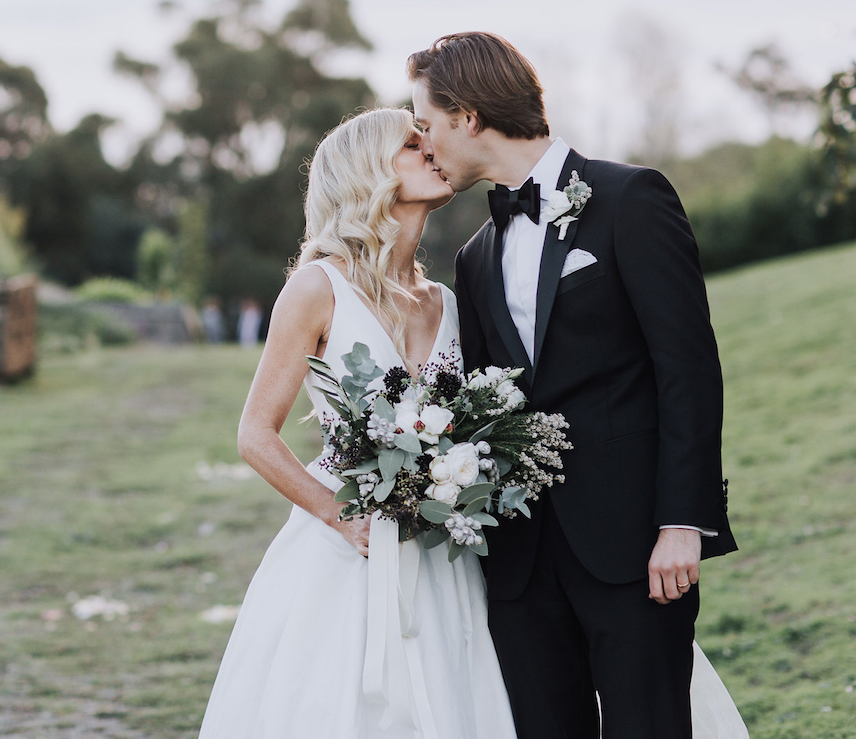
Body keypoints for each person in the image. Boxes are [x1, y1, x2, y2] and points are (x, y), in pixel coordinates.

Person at [198, 101, 747, 738]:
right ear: (368, 172)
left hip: (450, 553)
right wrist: (340, 516)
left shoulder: (449, 298)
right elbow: (255, 435)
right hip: (351, 551)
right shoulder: (319, 286)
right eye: (411, 143)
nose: (430, 149)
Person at [411, 32, 743, 739]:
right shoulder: (474, 257)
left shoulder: (632, 198)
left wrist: (682, 521)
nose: (426, 142)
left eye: (429, 122)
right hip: (522, 563)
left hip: (634, 546)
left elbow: (687, 368)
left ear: (468, 116)